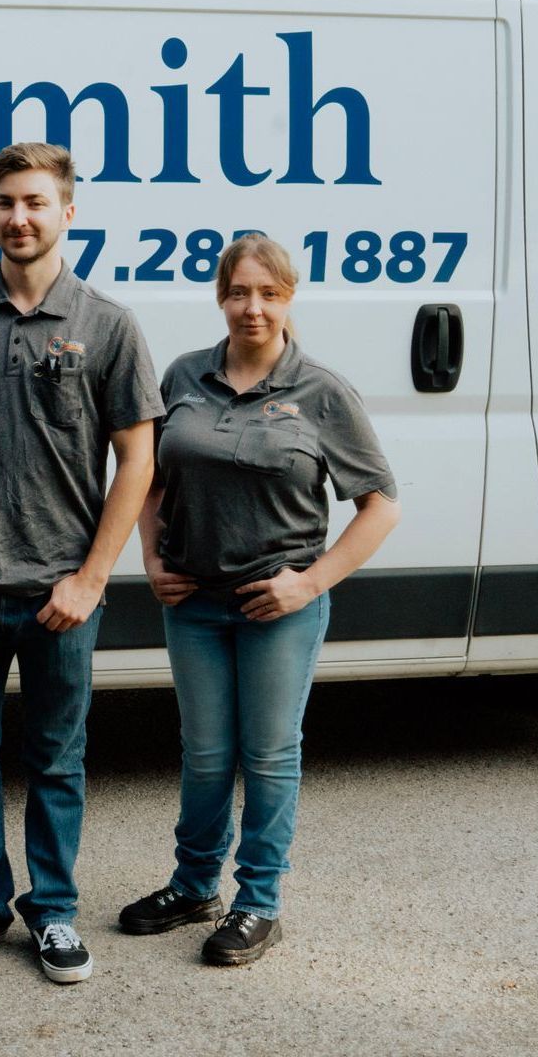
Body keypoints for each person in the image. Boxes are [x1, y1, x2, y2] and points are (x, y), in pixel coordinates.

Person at [0, 142, 162, 984]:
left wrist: (91, 578)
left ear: (68, 212)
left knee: (57, 761)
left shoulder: (108, 325)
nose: (19, 217)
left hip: (60, 594)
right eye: (6, 201)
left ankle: (52, 912)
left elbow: (139, 460)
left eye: (36, 203)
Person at [119, 235, 401, 965]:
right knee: (206, 757)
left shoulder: (322, 391)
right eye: (240, 292)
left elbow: (381, 505)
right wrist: (151, 557)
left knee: (269, 756)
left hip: (279, 606)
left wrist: (310, 582)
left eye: (269, 294)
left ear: (289, 298)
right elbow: (149, 478)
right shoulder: (184, 375)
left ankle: (258, 903)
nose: (253, 308)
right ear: (221, 295)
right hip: (195, 603)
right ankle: (193, 887)